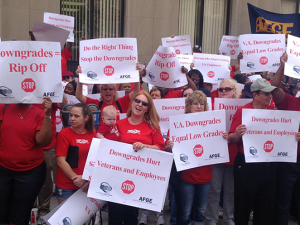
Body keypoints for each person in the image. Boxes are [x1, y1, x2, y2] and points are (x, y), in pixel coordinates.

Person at [108, 90, 165, 225]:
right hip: (117, 176)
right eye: (137, 101)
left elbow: (160, 147)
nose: (140, 104)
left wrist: (145, 146)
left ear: (147, 109)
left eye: (144, 103)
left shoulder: (152, 127)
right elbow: (109, 145)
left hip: (138, 178)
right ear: (132, 103)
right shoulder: (119, 124)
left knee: (131, 217)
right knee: (114, 217)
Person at [228, 78, 277, 225]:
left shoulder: (273, 113)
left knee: (264, 206)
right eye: (266, 94)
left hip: (267, 165)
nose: (270, 96)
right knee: (243, 205)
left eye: (270, 94)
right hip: (247, 165)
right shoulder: (243, 111)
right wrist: (237, 134)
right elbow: (231, 139)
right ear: (255, 95)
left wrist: (291, 136)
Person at [176, 91, 227, 225]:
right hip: (186, 176)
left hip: (205, 176)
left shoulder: (212, 124)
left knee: (200, 211)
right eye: (195, 103)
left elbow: (217, 145)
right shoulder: (179, 123)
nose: (199, 106)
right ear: (188, 105)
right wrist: (170, 145)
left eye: (202, 104)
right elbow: (171, 146)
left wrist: (223, 138)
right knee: (185, 212)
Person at [0, 97, 53, 225]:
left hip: (30, 173)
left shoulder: (39, 113)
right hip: (3, 170)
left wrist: (47, 115)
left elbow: (43, 141)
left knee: (19, 215)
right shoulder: (3, 107)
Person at [205, 79, 240, 225]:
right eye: (221, 89)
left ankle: (229, 218)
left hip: (234, 153)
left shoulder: (241, 107)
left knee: (230, 191)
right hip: (216, 154)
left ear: (234, 91)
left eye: (227, 88)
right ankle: (211, 219)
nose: (224, 91)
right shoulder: (211, 106)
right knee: (214, 190)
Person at [271, 53, 300, 225]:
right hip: (290, 159)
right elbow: (273, 88)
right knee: (284, 199)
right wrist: (282, 65)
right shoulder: (290, 102)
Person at [55, 103, 96, 204]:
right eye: (71, 115)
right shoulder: (64, 134)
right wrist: (77, 179)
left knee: (83, 219)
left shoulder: (92, 133)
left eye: (76, 116)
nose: (72, 118)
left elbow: (94, 159)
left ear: (86, 118)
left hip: (86, 183)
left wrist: (86, 179)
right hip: (66, 185)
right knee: (64, 218)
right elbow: (61, 161)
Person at [75, 65, 141, 123]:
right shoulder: (96, 104)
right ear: (101, 91)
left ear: (115, 91)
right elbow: (79, 96)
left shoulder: (121, 102)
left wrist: (137, 74)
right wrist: (81, 77)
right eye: (105, 89)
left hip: (118, 136)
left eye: (111, 89)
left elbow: (136, 92)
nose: (108, 91)